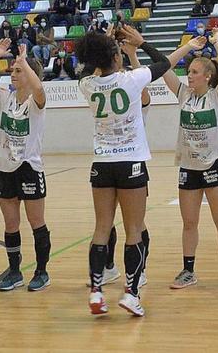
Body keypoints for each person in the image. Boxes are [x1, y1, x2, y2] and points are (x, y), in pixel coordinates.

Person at [77, 25, 170, 317]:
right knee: (134, 231)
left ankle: (96, 292)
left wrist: (102, 43)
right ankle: (131, 293)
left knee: (101, 228)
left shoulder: (87, 85)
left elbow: (89, 70)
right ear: (117, 57)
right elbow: (164, 63)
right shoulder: (132, 79)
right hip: (130, 163)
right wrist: (140, 44)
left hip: (101, 165)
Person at [160, 30, 218, 289]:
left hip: (213, 166)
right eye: (190, 71)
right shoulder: (183, 94)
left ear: (207, 76)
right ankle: (188, 271)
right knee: (189, 223)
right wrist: (188, 47)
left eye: (195, 72)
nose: (189, 75)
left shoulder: (217, 96)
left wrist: (216, 42)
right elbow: (164, 67)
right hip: (189, 168)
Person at [0, 40, 52, 292]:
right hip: (5, 168)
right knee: (10, 224)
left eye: (17, 71)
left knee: (36, 222)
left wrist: (24, 62)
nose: (12, 73)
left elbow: (38, 88)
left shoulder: (36, 102)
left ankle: (41, 271)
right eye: (13, 70)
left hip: (29, 168)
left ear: (29, 74)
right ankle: (15, 272)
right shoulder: (5, 98)